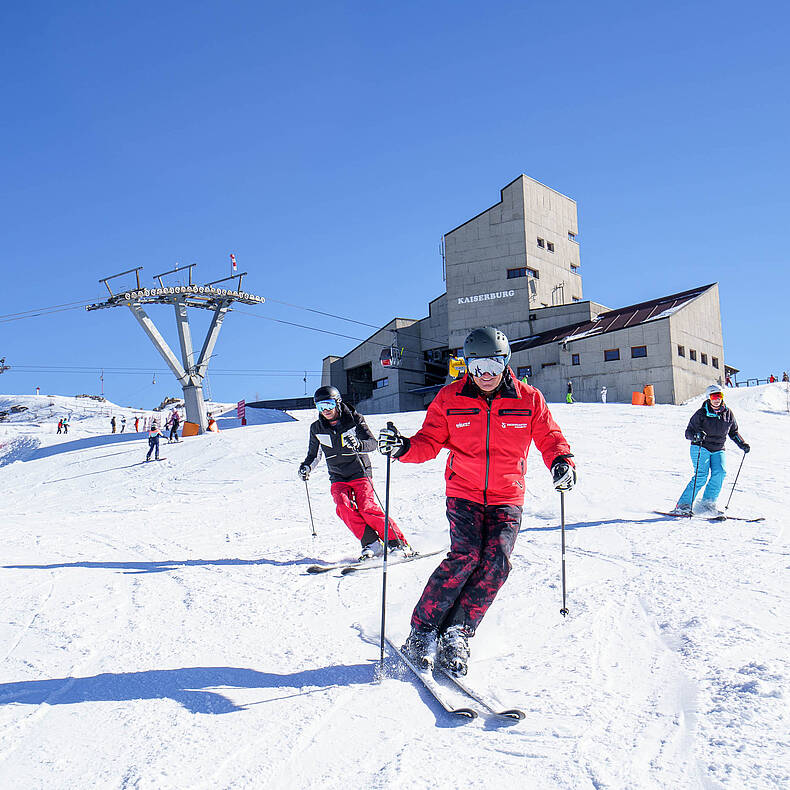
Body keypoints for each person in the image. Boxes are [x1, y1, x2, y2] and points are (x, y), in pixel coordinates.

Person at [378, 326, 575, 676]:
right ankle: (423, 632)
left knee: (496, 562)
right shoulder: (450, 398)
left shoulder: (528, 398)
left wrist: (561, 461)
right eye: (477, 366)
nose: (486, 375)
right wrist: (404, 448)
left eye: (494, 366)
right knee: (466, 555)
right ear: (465, 365)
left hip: (507, 495)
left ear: (506, 364)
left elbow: (549, 437)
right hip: (463, 491)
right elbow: (428, 442)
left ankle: (458, 631)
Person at [299, 385, 411, 561]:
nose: (325, 410)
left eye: (328, 404)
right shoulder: (316, 428)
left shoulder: (354, 419)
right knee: (343, 507)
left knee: (367, 508)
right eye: (320, 407)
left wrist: (359, 444)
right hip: (337, 476)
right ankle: (371, 543)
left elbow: (372, 443)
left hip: (359, 471)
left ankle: (398, 543)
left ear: (337, 402)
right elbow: (314, 454)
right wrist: (306, 467)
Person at [670, 383, 750, 516]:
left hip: (718, 449)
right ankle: (683, 505)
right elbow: (688, 433)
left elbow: (734, 432)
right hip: (701, 447)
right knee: (701, 475)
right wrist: (697, 436)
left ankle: (707, 504)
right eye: (713, 396)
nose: (716, 399)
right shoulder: (701, 413)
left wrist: (742, 444)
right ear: (709, 398)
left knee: (720, 472)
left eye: (719, 396)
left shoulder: (728, 413)